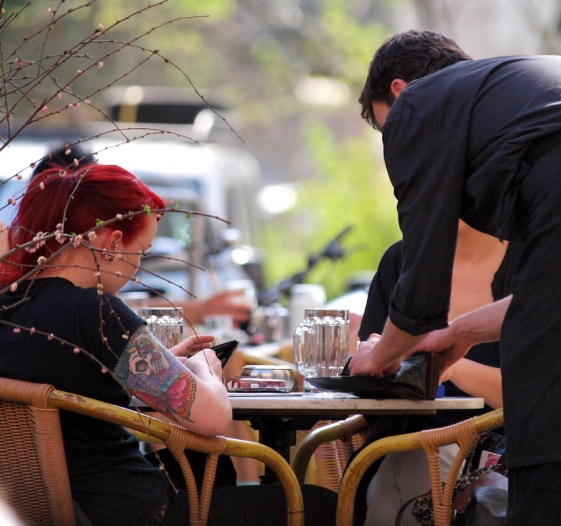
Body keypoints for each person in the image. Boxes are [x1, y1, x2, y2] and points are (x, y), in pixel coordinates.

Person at [351, 29, 561, 526]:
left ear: (403, 93)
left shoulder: (420, 105)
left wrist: (382, 352)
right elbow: (556, 288)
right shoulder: (533, 91)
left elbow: (423, 264)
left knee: (558, 449)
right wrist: (457, 334)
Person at [0, 164, 336, 526]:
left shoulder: (9, 304)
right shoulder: (96, 312)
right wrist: (205, 366)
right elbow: (214, 418)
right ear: (112, 243)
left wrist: (163, 367)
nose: (138, 268)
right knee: (321, 504)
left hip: (52, 509)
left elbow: (72, 379)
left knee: (209, 466)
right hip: (142, 513)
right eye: (141, 253)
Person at [359, 220, 517, 526]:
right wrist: (386, 362)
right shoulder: (402, 260)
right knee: (412, 457)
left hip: (498, 458)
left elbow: (540, 390)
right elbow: (367, 372)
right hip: (397, 441)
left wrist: (453, 367)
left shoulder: (531, 265)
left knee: (416, 462)